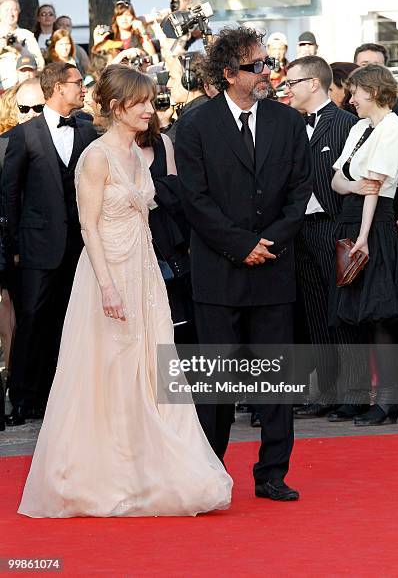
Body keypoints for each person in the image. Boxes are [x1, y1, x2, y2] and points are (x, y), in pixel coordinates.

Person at [17, 63, 232, 518]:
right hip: (107, 274)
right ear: (117, 106)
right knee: (108, 372)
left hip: (144, 271)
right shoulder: (96, 157)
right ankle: (105, 477)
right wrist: (108, 287)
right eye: (142, 103)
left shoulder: (137, 152)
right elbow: (88, 228)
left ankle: (148, 472)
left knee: (152, 370)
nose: (151, 111)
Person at [175, 27, 312, 501]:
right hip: (218, 271)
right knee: (216, 382)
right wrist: (240, 245)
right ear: (229, 73)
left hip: (275, 267)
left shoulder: (288, 122)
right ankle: (210, 472)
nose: (266, 73)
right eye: (256, 67)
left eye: (266, 65)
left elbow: (299, 192)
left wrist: (268, 241)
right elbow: (194, 199)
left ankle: (272, 472)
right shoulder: (195, 124)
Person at [3, 62, 97, 426]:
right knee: (32, 320)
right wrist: (14, 246)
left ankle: (62, 396)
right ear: (58, 87)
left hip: (80, 246)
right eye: (78, 83)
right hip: (37, 246)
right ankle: (23, 397)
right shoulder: (25, 135)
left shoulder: (88, 131)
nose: (83, 88)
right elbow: (10, 195)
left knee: (70, 320)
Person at [283, 56, 368, 420]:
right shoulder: (291, 125)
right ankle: (328, 390)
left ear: (313, 84)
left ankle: (355, 391)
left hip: (334, 226)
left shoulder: (346, 124)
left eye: (292, 83)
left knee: (341, 312)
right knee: (315, 313)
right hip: (299, 230)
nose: (287, 89)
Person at [330, 64, 398, 425]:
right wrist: (353, 187)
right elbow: (337, 180)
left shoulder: (392, 128)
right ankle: (363, 398)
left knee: (381, 318)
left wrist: (363, 237)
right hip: (352, 220)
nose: (351, 99)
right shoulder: (361, 128)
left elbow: (374, 189)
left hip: (373, 226)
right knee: (355, 316)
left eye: (356, 92)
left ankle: (390, 401)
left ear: (373, 91)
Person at [0, 78, 45, 417]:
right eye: (25, 108)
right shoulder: (4, 145)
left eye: (38, 108)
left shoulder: (77, 135)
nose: (31, 114)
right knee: (22, 323)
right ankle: (21, 396)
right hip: (17, 251)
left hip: (59, 247)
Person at [137, 110, 196, 344]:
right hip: (134, 239)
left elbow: (176, 191)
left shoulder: (163, 142)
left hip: (170, 239)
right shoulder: (109, 148)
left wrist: (151, 192)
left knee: (179, 314)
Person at [0, 0, 44, 91]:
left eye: (14, 10)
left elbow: (40, 65)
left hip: (24, 89)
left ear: (19, 12)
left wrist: (22, 50)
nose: (11, 13)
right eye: (7, 10)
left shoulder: (27, 35)